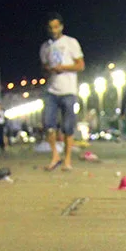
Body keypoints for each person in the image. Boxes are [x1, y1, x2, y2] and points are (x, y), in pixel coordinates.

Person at [39, 13, 85, 171]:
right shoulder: (45, 47)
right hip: (51, 91)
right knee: (48, 124)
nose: (53, 30)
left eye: (56, 26)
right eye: (51, 27)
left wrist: (63, 68)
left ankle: (67, 160)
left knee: (68, 127)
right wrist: (48, 69)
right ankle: (55, 156)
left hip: (68, 91)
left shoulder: (71, 43)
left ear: (62, 27)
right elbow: (44, 67)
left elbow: (80, 65)